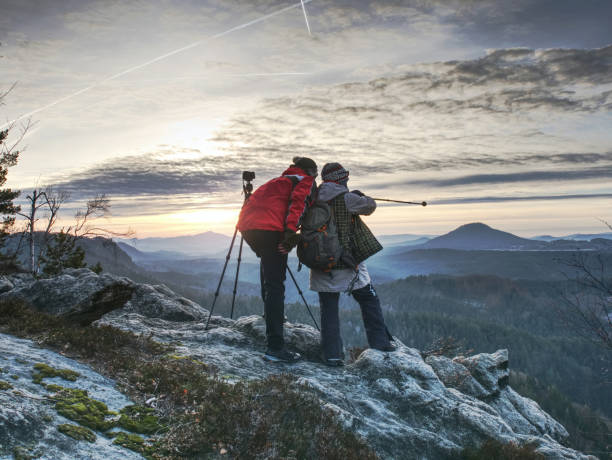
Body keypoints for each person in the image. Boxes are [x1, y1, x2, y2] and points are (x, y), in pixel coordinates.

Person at [310, 162, 394, 366]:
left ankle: (332, 356)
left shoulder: (313, 199)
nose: (347, 179)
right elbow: (370, 206)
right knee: (369, 300)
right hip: (348, 264)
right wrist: (361, 195)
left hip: (321, 264)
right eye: (345, 176)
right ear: (341, 178)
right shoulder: (347, 198)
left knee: (328, 310)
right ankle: (380, 344)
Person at [238, 156, 318, 363]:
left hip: (247, 227)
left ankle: (270, 316)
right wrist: (291, 234)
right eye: (315, 173)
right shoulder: (304, 181)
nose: (315, 177)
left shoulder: (277, 181)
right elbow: (299, 205)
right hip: (270, 230)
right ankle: (275, 347)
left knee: (269, 269)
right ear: (310, 171)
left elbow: (252, 202)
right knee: (276, 284)